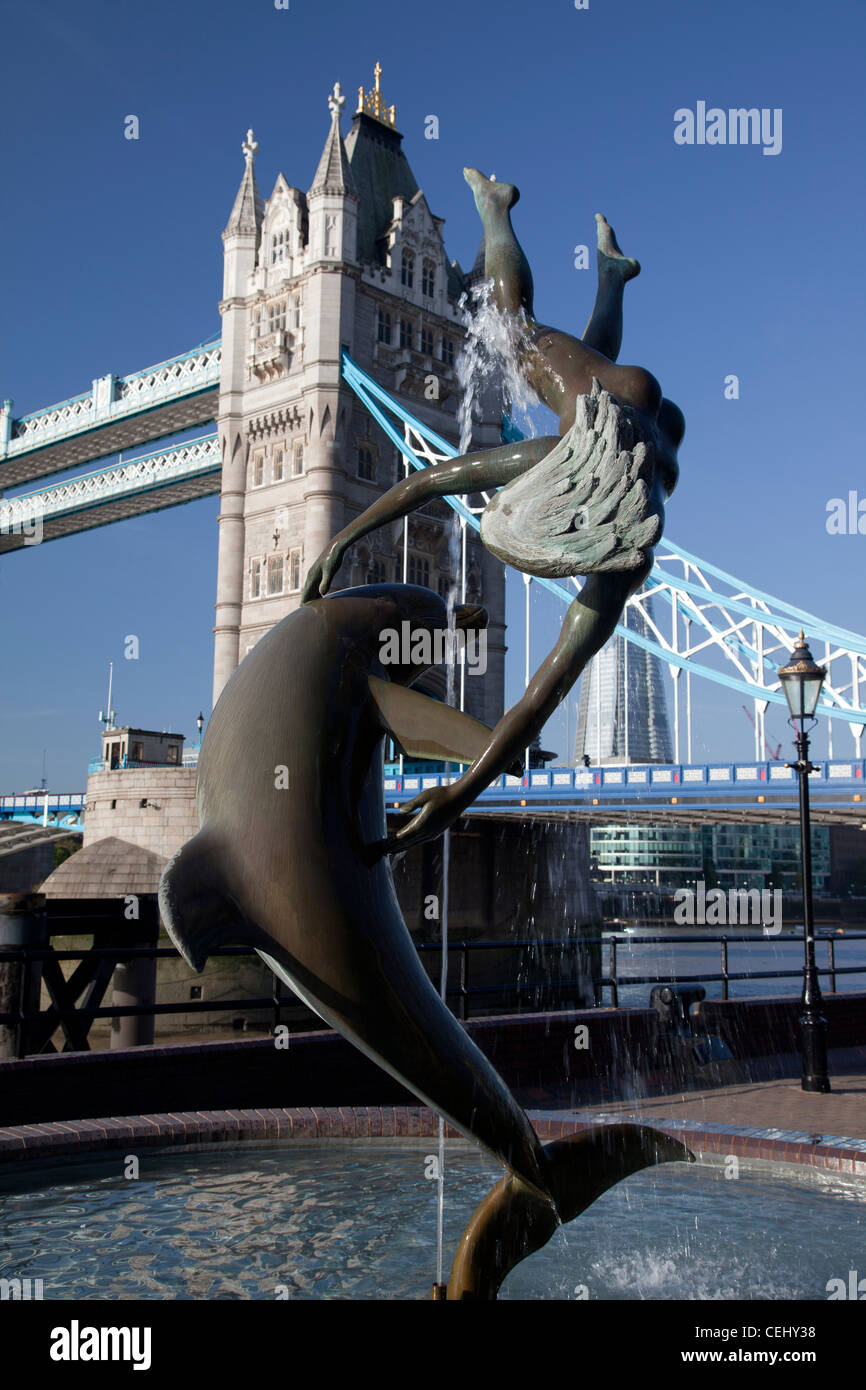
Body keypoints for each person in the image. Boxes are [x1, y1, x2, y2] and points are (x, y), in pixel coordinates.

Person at [302, 169, 684, 852]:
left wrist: (460, 789)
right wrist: (460, 793)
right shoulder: (563, 467)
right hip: (626, 423)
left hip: (644, 425)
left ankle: (576, 257)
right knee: (519, 334)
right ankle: (514, 222)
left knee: (525, 338)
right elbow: (538, 698)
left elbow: (539, 697)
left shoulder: (587, 501)